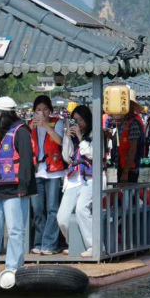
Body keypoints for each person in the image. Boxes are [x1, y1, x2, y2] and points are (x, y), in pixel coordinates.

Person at [0, 96, 36, 274]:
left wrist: (23, 188)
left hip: (16, 191)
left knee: (15, 231)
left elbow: (26, 161)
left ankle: (13, 266)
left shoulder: (21, 131)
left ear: (2, 113)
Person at [29, 95, 66, 255]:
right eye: (38, 110)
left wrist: (46, 126)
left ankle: (49, 244)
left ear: (50, 110)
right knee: (37, 209)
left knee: (52, 208)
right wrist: (31, 128)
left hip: (54, 170)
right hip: (37, 171)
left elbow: (59, 141)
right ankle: (39, 241)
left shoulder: (57, 122)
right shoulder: (31, 125)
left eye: (45, 109)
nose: (42, 113)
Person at [57, 104, 96, 257]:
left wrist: (80, 137)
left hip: (92, 179)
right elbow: (67, 157)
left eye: (80, 120)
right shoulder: (72, 136)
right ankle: (73, 242)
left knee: (81, 209)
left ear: (87, 119)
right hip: (73, 179)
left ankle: (94, 246)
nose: (77, 123)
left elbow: (92, 154)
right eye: (75, 120)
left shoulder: (95, 134)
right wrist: (67, 138)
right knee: (62, 217)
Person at [115, 98, 145, 181]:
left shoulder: (134, 123)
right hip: (122, 164)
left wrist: (125, 173)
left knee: (128, 192)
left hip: (130, 168)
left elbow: (133, 149)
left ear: (131, 107)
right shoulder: (125, 121)